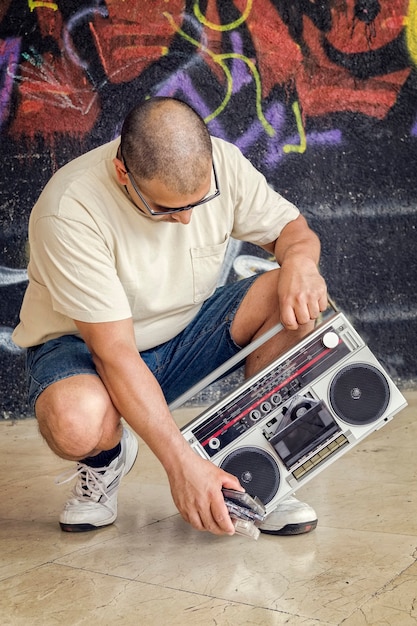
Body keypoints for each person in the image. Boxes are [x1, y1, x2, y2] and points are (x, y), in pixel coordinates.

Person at [13, 97, 328, 536]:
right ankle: (105, 460)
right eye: (165, 209)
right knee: (75, 421)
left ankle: (256, 471)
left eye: (197, 204)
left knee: (290, 296)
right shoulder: (69, 210)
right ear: (124, 174)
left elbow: (294, 232)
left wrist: (300, 264)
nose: (184, 220)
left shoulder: (225, 164)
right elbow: (116, 355)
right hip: (89, 352)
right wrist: (181, 466)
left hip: (185, 334)